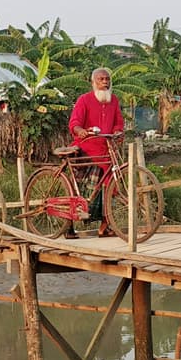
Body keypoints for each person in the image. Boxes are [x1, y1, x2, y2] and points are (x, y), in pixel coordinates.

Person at [67, 67, 125, 237]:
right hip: (86, 148)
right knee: (76, 187)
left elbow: (118, 123)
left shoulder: (114, 100)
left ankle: (105, 226)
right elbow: (74, 122)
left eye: (107, 79)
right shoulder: (84, 100)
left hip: (107, 150)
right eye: (101, 79)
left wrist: (118, 131)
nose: (105, 82)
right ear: (93, 82)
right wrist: (80, 130)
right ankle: (69, 225)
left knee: (111, 187)